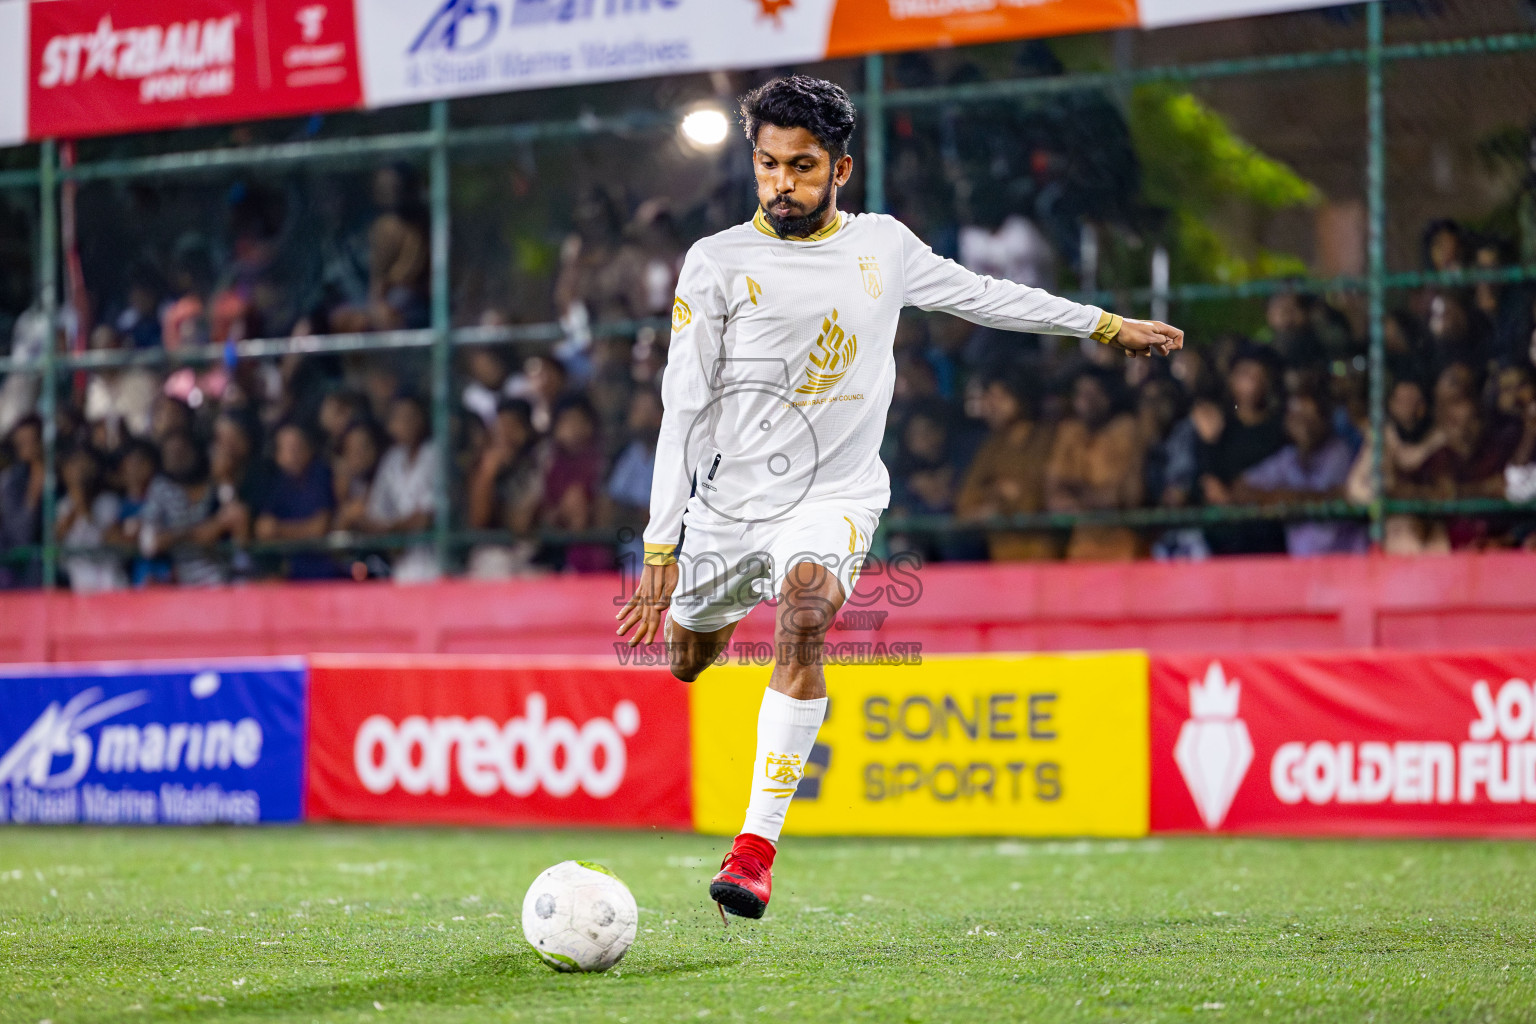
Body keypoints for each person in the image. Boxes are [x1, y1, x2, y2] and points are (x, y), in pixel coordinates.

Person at [613, 76, 1181, 921]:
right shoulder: (717, 261)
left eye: (802, 167)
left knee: (806, 613)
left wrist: (1100, 324)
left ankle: (754, 852)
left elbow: (990, 297)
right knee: (690, 660)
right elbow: (684, 407)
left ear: (840, 167)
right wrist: (663, 549)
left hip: (834, 495)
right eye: (767, 164)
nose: (781, 183)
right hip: (729, 508)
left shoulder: (884, 246)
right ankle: (711, 619)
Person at [1232, 392, 1368, 556]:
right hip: (1302, 564)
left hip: (1343, 561)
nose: (1303, 423)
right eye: (1296, 416)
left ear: (1325, 420)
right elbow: (1241, 488)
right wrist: (1275, 497)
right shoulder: (1288, 457)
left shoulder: (1339, 451)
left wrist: (1287, 498)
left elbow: (1337, 495)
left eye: (1311, 416)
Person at [1045, 369, 1146, 560]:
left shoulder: (1127, 430)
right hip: (1080, 550)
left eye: (1092, 394)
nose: (1084, 401)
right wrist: (1090, 497)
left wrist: (1078, 492)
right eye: (1080, 393)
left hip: (1123, 553)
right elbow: (1055, 498)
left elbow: (1125, 496)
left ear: (1108, 397)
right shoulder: (1070, 432)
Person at [953, 375, 1056, 561]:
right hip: (1002, 559)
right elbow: (965, 504)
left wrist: (1010, 498)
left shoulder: (1048, 440)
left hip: (1045, 558)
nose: (991, 406)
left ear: (1021, 398)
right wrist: (998, 493)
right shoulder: (992, 447)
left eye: (1000, 398)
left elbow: (1038, 501)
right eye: (989, 398)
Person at [362, 395, 439, 582]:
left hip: (436, 565)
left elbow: (427, 516)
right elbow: (374, 515)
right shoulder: (391, 459)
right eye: (398, 417)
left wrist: (392, 529)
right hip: (402, 568)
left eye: (410, 416)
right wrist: (389, 530)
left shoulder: (435, 453)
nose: (405, 423)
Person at [256, 423, 336, 580]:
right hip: (294, 573)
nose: (293, 455)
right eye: (287, 449)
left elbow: (319, 528)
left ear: (309, 450)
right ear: (278, 456)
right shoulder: (279, 483)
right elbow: (263, 529)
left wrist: (280, 530)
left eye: (298, 447)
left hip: (328, 572)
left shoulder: (320, 473)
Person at [55, 447, 127, 593]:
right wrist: (73, 511)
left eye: (85, 464)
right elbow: (57, 548)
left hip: (111, 586)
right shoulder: (63, 506)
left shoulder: (109, 502)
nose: (80, 470)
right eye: (73, 464)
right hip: (80, 588)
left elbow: (111, 541)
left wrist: (85, 508)